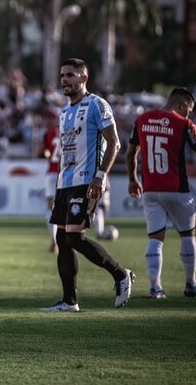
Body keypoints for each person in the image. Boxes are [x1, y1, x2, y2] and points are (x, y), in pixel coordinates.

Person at [41, 58, 135, 312]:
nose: (64, 80)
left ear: (84, 78)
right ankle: (69, 301)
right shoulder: (64, 112)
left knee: (74, 236)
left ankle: (120, 274)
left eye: (70, 75)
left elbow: (114, 142)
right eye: (62, 75)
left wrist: (101, 175)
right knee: (63, 238)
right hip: (65, 182)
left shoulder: (97, 105)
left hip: (87, 180)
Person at [126, 87, 196, 299]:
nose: (189, 114)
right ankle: (190, 285)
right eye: (189, 110)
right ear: (182, 105)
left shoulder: (142, 120)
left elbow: (130, 154)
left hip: (151, 190)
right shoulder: (184, 124)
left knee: (155, 237)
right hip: (178, 189)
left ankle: (155, 288)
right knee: (188, 234)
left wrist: (132, 179)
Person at [39, 115, 60, 253]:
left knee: (50, 208)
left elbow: (39, 152)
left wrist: (46, 153)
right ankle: (67, 241)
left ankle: (54, 240)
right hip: (65, 173)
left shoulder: (49, 133)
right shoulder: (70, 131)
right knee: (66, 208)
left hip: (52, 173)